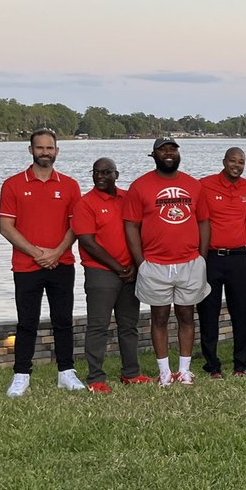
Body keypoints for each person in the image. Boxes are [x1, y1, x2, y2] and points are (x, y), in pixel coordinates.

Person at [0, 127, 85, 397]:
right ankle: (21, 375)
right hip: (26, 267)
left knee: (63, 320)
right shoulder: (13, 184)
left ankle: (66, 373)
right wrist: (38, 253)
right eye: (40, 148)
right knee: (27, 322)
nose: (45, 152)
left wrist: (57, 252)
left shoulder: (70, 185)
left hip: (62, 263)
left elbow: (76, 226)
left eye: (49, 148)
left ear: (57, 151)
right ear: (31, 150)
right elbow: (6, 227)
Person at [124, 138, 211, 386]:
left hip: (189, 262)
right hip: (155, 263)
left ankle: (184, 371)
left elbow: (203, 221)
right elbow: (131, 225)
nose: (169, 153)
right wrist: (141, 261)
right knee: (159, 317)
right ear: (153, 154)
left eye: (173, 149)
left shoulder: (193, 185)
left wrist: (201, 257)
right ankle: (164, 372)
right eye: (163, 149)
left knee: (186, 315)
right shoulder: (140, 186)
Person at [73, 157, 151, 392]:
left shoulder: (128, 199)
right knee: (98, 327)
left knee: (129, 326)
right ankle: (96, 379)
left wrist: (136, 266)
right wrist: (118, 267)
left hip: (130, 272)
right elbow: (88, 242)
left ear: (116, 174)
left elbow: (142, 231)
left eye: (106, 172)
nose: (100, 177)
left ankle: (131, 373)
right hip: (101, 273)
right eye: (96, 172)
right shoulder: (85, 203)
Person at [197, 147, 246, 378]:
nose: (236, 165)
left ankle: (241, 365)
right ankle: (213, 366)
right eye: (233, 161)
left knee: (241, 312)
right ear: (224, 161)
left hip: (239, 258)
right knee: (208, 313)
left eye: (241, 162)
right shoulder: (204, 185)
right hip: (211, 258)